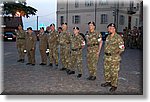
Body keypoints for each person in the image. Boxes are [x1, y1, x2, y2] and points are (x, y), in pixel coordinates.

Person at [101, 23, 125, 92]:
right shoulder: (108, 37)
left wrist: (116, 55)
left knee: (114, 72)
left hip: (114, 58)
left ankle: (114, 85)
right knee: (107, 70)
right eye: (108, 28)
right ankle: (108, 82)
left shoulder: (118, 37)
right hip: (106, 57)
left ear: (114, 29)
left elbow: (122, 48)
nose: (109, 29)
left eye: (111, 28)